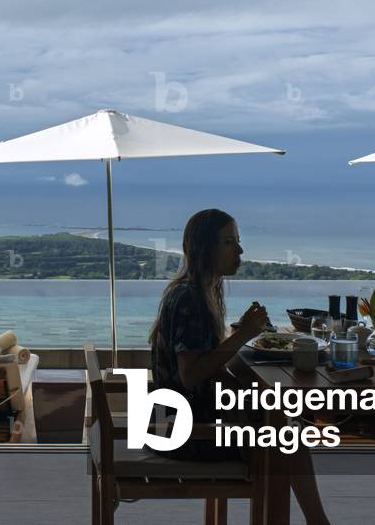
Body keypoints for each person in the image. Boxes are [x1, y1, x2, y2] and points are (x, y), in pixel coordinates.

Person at [149, 208, 331, 524]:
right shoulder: (190, 299)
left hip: (187, 418)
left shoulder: (200, 289)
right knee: (288, 439)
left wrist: (238, 353)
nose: (240, 250)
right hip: (184, 432)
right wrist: (245, 335)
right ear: (206, 249)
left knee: (287, 424)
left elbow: (206, 364)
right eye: (229, 242)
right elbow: (191, 375)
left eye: (238, 241)